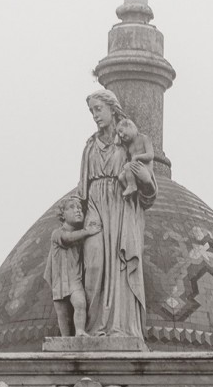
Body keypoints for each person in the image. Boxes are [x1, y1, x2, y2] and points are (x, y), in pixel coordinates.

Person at [76, 90, 157, 338]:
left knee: (119, 268)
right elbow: (82, 190)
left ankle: (118, 326)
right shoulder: (90, 145)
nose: (95, 115)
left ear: (112, 108)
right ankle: (92, 327)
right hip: (95, 208)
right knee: (94, 264)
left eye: (98, 109)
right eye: (91, 111)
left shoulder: (129, 143)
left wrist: (143, 182)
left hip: (121, 206)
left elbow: (148, 183)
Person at [43, 196, 101, 336]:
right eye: (72, 208)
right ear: (62, 214)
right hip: (59, 282)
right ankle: (65, 338)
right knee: (62, 314)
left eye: (80, 208)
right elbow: (67, 238)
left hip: (74, 279)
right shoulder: (57, 233)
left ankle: (80, 330)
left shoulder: (80, 237)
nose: (78, 211)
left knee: (80, 303)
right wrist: (87, 231)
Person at [114, 115, 155, 198]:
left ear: (130, 126)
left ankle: (132, 186)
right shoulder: (130, 146)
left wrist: (137, 157)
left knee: (128, 166)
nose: (121, 135)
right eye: (119, 134)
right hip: (134, 169)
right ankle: (132, 194)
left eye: (121, 131)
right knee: (121, 177)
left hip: (145, 168)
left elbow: (151, 155)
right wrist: (117, 139)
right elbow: (118, 144)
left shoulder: (144, 138)